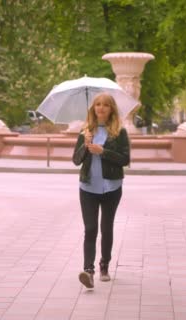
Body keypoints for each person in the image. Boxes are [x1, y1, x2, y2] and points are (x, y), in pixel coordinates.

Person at [72, 92, 130, 289]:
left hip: (111, 187)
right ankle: (88, 271)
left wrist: (103, 152)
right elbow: (76, 160)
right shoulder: (86, 130)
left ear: (111, 108)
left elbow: (125, 159)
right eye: (97, 104)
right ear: (93, 108)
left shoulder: (119, 132)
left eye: (105, 105)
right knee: (90, 229)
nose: (101, 108)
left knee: (106, 228)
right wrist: (85, 145)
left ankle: (104, 265)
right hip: (87, 187)